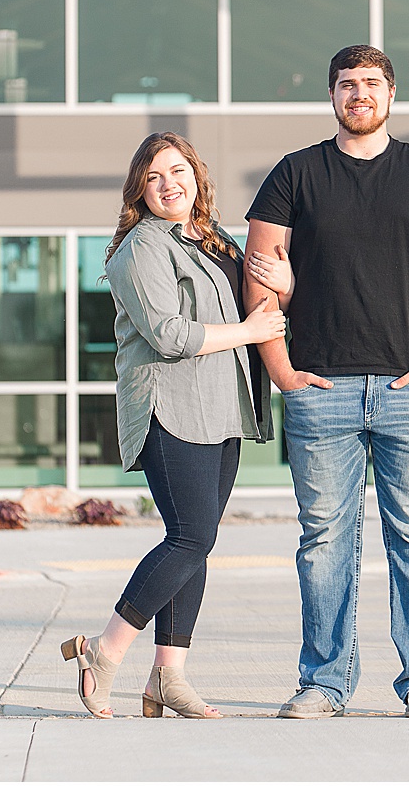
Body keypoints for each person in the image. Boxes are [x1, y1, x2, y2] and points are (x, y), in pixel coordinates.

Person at [245, 44, 409, 720]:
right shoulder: (294, 175)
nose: (360, 94)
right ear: (332, 95)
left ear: (390, 95)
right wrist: (284, 375)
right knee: (324, 541)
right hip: (321, 391)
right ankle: (324, 683)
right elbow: (259, 281)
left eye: (372, 83)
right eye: (348, 84)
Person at [62, 131, 283, 719]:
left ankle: (168, 676)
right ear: (140, 187)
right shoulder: (141, 247)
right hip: (170, 409)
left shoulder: (216, 243)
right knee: (190, 537)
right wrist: (248, 333)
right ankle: (101, 654)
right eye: (155, 175)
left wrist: (282, 289)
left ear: (197, 177)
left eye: (179, 171)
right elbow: (166, 333)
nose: (169, 184)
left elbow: (264, 303)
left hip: (224, 410)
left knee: (196, 545)